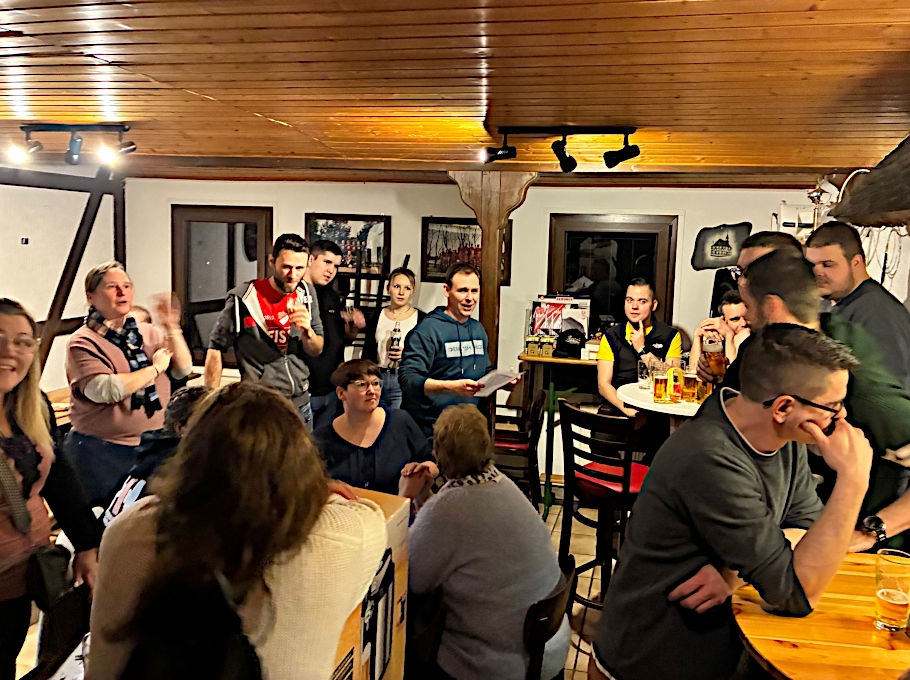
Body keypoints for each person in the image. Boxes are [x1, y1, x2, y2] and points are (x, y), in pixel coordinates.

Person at [589, 325, 871, 680]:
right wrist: (854, 480)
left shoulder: (781, 439)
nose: (840, 419)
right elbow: (797, 592)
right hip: (650, 657)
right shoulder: (710, 455)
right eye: (832, 407)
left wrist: (737, 572)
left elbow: (810, 528)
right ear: (783, 407)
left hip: (713, 648)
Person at [88, 382, 388, 680]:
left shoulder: (131, 529)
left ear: (190, 450)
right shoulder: (342, 535)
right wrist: (315, 490)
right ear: (302, 456)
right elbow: (366, 512)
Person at [409, 404, 569, 680]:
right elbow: (461, 525)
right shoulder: (503, 484)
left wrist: (407, 499)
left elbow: (414, 579)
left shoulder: (447, 509)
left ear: (438, 454)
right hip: (550, 640)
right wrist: (425, 500)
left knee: (414, 637)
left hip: (502, 661)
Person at [0, 299, 101, 680]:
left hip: (23, 577)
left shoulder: (32, 405)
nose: (9, 351)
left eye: (22, 341)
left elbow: (58, 476)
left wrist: (87, 544)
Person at [63, 262, 192, 507]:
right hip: (101, 451)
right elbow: (106, 390)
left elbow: (182, 369)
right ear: (91, 296)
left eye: (127, 286)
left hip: (151, 443)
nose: (122, 292)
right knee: (107, 518)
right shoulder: (83, 341)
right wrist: (155, 369)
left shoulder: (147, 332)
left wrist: (171, 327)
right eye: (112, 287)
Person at [205, 233, 324, 429]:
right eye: (286, 267)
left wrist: (308, 332)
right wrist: (209, 403)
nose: (293, 275)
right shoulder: (243, 298)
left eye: (299, 268)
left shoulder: (306, 293)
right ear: (271, 262)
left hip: (300, 404)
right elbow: (215, 347)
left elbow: (316, 349)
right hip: (260, 405)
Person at [806, 221, 910, 392]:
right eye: (812, 265)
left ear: (856, 262)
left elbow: (889, 389)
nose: (818, 272)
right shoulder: (840, 302)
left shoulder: (876, 313)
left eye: (828, 264)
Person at [315, 360, 437, 497]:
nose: (372, 391)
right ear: (341, 393)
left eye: (376, 383)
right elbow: (309, 484)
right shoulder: (322, 438)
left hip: (399, 507)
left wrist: (422, 470)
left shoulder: (401, 421)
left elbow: (431, 463)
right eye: (361, 384)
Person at [399, 262, 491, 437]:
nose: (469, 298)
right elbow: (408, 380)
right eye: (462, 290)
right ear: (447, 290)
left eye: (474, 291)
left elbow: (484, 371)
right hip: (431, 429)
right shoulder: (427, 330)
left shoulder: (478, 329)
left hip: (468, 427)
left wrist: (502, 381)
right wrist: (450, 387)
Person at [103, 385, 210, 527]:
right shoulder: (175, 468)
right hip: (131, 537)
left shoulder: (154, 452)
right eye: (208, 421)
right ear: (181, 429)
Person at [301, 240, 366, 430]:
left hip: (331, 389)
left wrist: (352, 326)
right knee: (300, 445)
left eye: (336, 266)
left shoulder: (331, 295)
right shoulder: (296, 294)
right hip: (305, 391)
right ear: (310, 259)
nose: (331, 270)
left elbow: (341, 340)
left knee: (324, 444)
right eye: (327, 262)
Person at [596, 277, 682, 417]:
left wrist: (642, 349)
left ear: (653, 305)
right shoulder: (612, 335)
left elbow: (674, 381)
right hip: (618, 408)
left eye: (642, 301)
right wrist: (625, 408)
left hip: (655, 410)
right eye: (630, 300)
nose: (634, 306)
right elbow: (603, 385)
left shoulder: (670, 335)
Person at [361, 267, 426, 408]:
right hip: (377, 377)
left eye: (407, 288)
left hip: (404, 378)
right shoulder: (377, 315)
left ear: (412, 291)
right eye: (397, 286)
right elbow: (367, 351)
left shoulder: (421, 319)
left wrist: (406, 355)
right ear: (388, 288)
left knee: (398, 418)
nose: (401, 292)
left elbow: (427, 355)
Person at [689, 290, 750, 370]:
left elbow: (733, 375)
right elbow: (694, 371)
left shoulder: (758, 340)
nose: (743, 323)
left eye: (747, 317)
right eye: (735, 319)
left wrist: (729, 336)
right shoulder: (718, 339)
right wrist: (697, 337)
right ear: (723, 321)